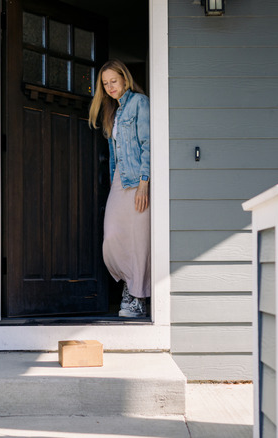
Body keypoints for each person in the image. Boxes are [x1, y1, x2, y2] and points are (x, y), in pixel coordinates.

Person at [88, 60, 150, 318]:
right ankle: (129, 284)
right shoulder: (112, 111)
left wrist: (144, 185)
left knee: (138, 240)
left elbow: (148, 144)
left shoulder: (139, 103)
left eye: (114, 81)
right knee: (112, 237)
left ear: (125, 79)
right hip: (119, 181)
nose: (110, 87)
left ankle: (136, 297)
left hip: (137, 181)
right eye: (105, 83)